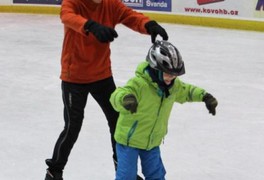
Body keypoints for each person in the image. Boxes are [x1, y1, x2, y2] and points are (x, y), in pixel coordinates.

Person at [44, 0, 168, 179]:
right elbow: (67, 16)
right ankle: (54, 171)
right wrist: (90, 26)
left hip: (102, 75)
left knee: (118, 120)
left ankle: (122, 167)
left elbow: (130, 16)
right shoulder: (73, 2)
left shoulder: (111, 4)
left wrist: (149, 25)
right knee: (73, 126)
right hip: (74, 78)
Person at [110, 40, 218, 180]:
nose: (171, 78)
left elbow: (187, 91)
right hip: (128, 140)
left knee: (157, 175)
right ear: (155, 68)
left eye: (174, 75)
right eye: (167, 73)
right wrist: (125, 99)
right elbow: (116, 95)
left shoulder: (173, 86)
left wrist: (205, 97)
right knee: (126, 176)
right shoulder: (139, 84)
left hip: (152, 141)